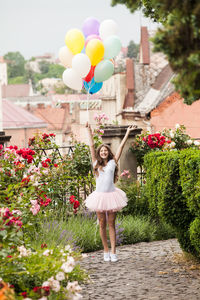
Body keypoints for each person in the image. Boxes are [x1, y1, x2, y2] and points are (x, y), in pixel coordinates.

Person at [85, 123, 136, 262]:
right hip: (99, 197)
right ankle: (105, 251)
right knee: (102, 224)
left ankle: (114, 252)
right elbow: (91, 146)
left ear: (108, 152)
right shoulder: (96, 164)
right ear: (99, 153)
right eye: (101, 151)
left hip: (112, 196)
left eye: (105, 151)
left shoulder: (113, 162)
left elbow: (120, 147)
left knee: (112, 224)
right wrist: (89, 130)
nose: (103, 153)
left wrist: (127, 133)